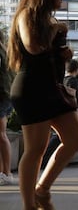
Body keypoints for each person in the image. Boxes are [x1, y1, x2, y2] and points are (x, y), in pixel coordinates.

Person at [7, 0, 78, 210]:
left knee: (74, 139)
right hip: (31, 89)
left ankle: (42, 189)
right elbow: (33, 46)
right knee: (35, 149)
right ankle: (29, 205)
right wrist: (55, 30)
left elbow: (47, 51)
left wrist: (63, 54)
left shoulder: (49, 20)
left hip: (52, 88)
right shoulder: (26, 14)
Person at [42, 59, 78, 168]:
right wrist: (76, 112)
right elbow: (73, 97)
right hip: (73, 109)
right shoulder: (73, 81)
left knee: (60, 136)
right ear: (76, 70)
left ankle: (44, 158)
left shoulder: (63, 79)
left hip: (63, 110)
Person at [0, 31, 14, 185]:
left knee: (1, 135)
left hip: (1, 96)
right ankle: (4, 172)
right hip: (5, 95)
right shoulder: (4, 50)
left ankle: (6, 173)